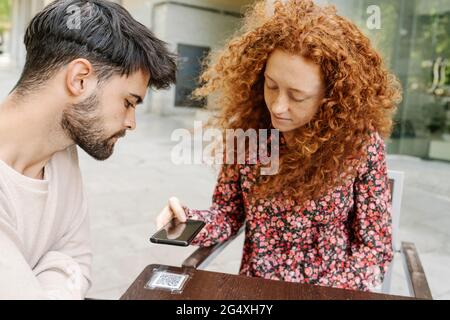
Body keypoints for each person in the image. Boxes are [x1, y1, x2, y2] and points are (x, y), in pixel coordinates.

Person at [157, 0, 402, 292]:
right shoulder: (252, 137)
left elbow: (374, 249)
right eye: (271, 85)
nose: (278, 106)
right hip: (256, 290)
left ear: (331, 98)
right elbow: (228, 215)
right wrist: (186, 220)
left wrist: (325, 294)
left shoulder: (359, 146)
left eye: (297, 96)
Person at [0, 0, 176, 299]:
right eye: (128, 102)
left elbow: (77, 260)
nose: (131, 123)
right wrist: (54, 270)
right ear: (79, 79)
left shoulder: (60, 150)